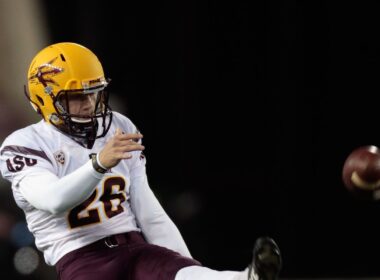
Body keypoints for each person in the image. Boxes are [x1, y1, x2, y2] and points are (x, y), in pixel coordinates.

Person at [0, 42, 282, 280]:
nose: (89, 104)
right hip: (79, 257)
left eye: (93, 92)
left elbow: (149, 212)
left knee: (186, 273)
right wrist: (99, 164)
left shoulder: (118, 126)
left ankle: (247, 276)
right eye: (76, 97)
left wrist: (186, 265)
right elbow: (52, 200)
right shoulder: (24, 144)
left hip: (133, 245)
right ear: (45, 98)